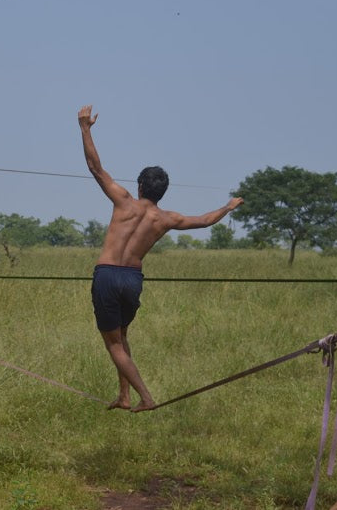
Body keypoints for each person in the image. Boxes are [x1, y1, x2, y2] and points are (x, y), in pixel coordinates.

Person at [78, 105, 244, 412]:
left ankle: (145, 396)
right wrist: (229, 206)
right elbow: (206, 220)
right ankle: (125, 396)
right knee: (122, 334)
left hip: (107, 275)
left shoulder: (123, 201)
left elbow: (95, 167)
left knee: (112, 342)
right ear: (162, 192)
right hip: (132, 280)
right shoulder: (167, 218)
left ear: (139, 186)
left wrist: (85, 128)